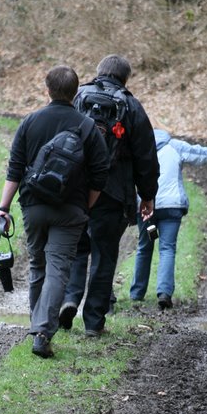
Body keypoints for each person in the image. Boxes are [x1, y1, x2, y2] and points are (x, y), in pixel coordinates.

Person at [0, 65, 110, 358]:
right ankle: (43, 332)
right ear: (76, 92)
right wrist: (86, 205)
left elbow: (15, 169)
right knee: (59, 268)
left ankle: (37, 325)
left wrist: (3, 208)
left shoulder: (30, 122)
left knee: (37, 265)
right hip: (70, 210)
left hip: (33, 206)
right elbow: (100, 175)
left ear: (47, 89)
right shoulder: (87, 127)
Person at [59, 54, 159, 337]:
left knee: (76, 249)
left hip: (76, 190)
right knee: (104, 255)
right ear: (125, 78)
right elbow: (146, 157)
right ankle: (93, 322)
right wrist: (147, 195)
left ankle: (69, 298)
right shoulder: (131, 106)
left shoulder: (78, 97)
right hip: (113, 194)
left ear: (99, 72)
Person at [130, 129, 207, 310]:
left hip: (147, 210)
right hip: (171, 208)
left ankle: (137, 293)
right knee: (167, 248)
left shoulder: (139, 148)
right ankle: (164, 293)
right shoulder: (174, 145)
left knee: (146, 246)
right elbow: (197, 153)